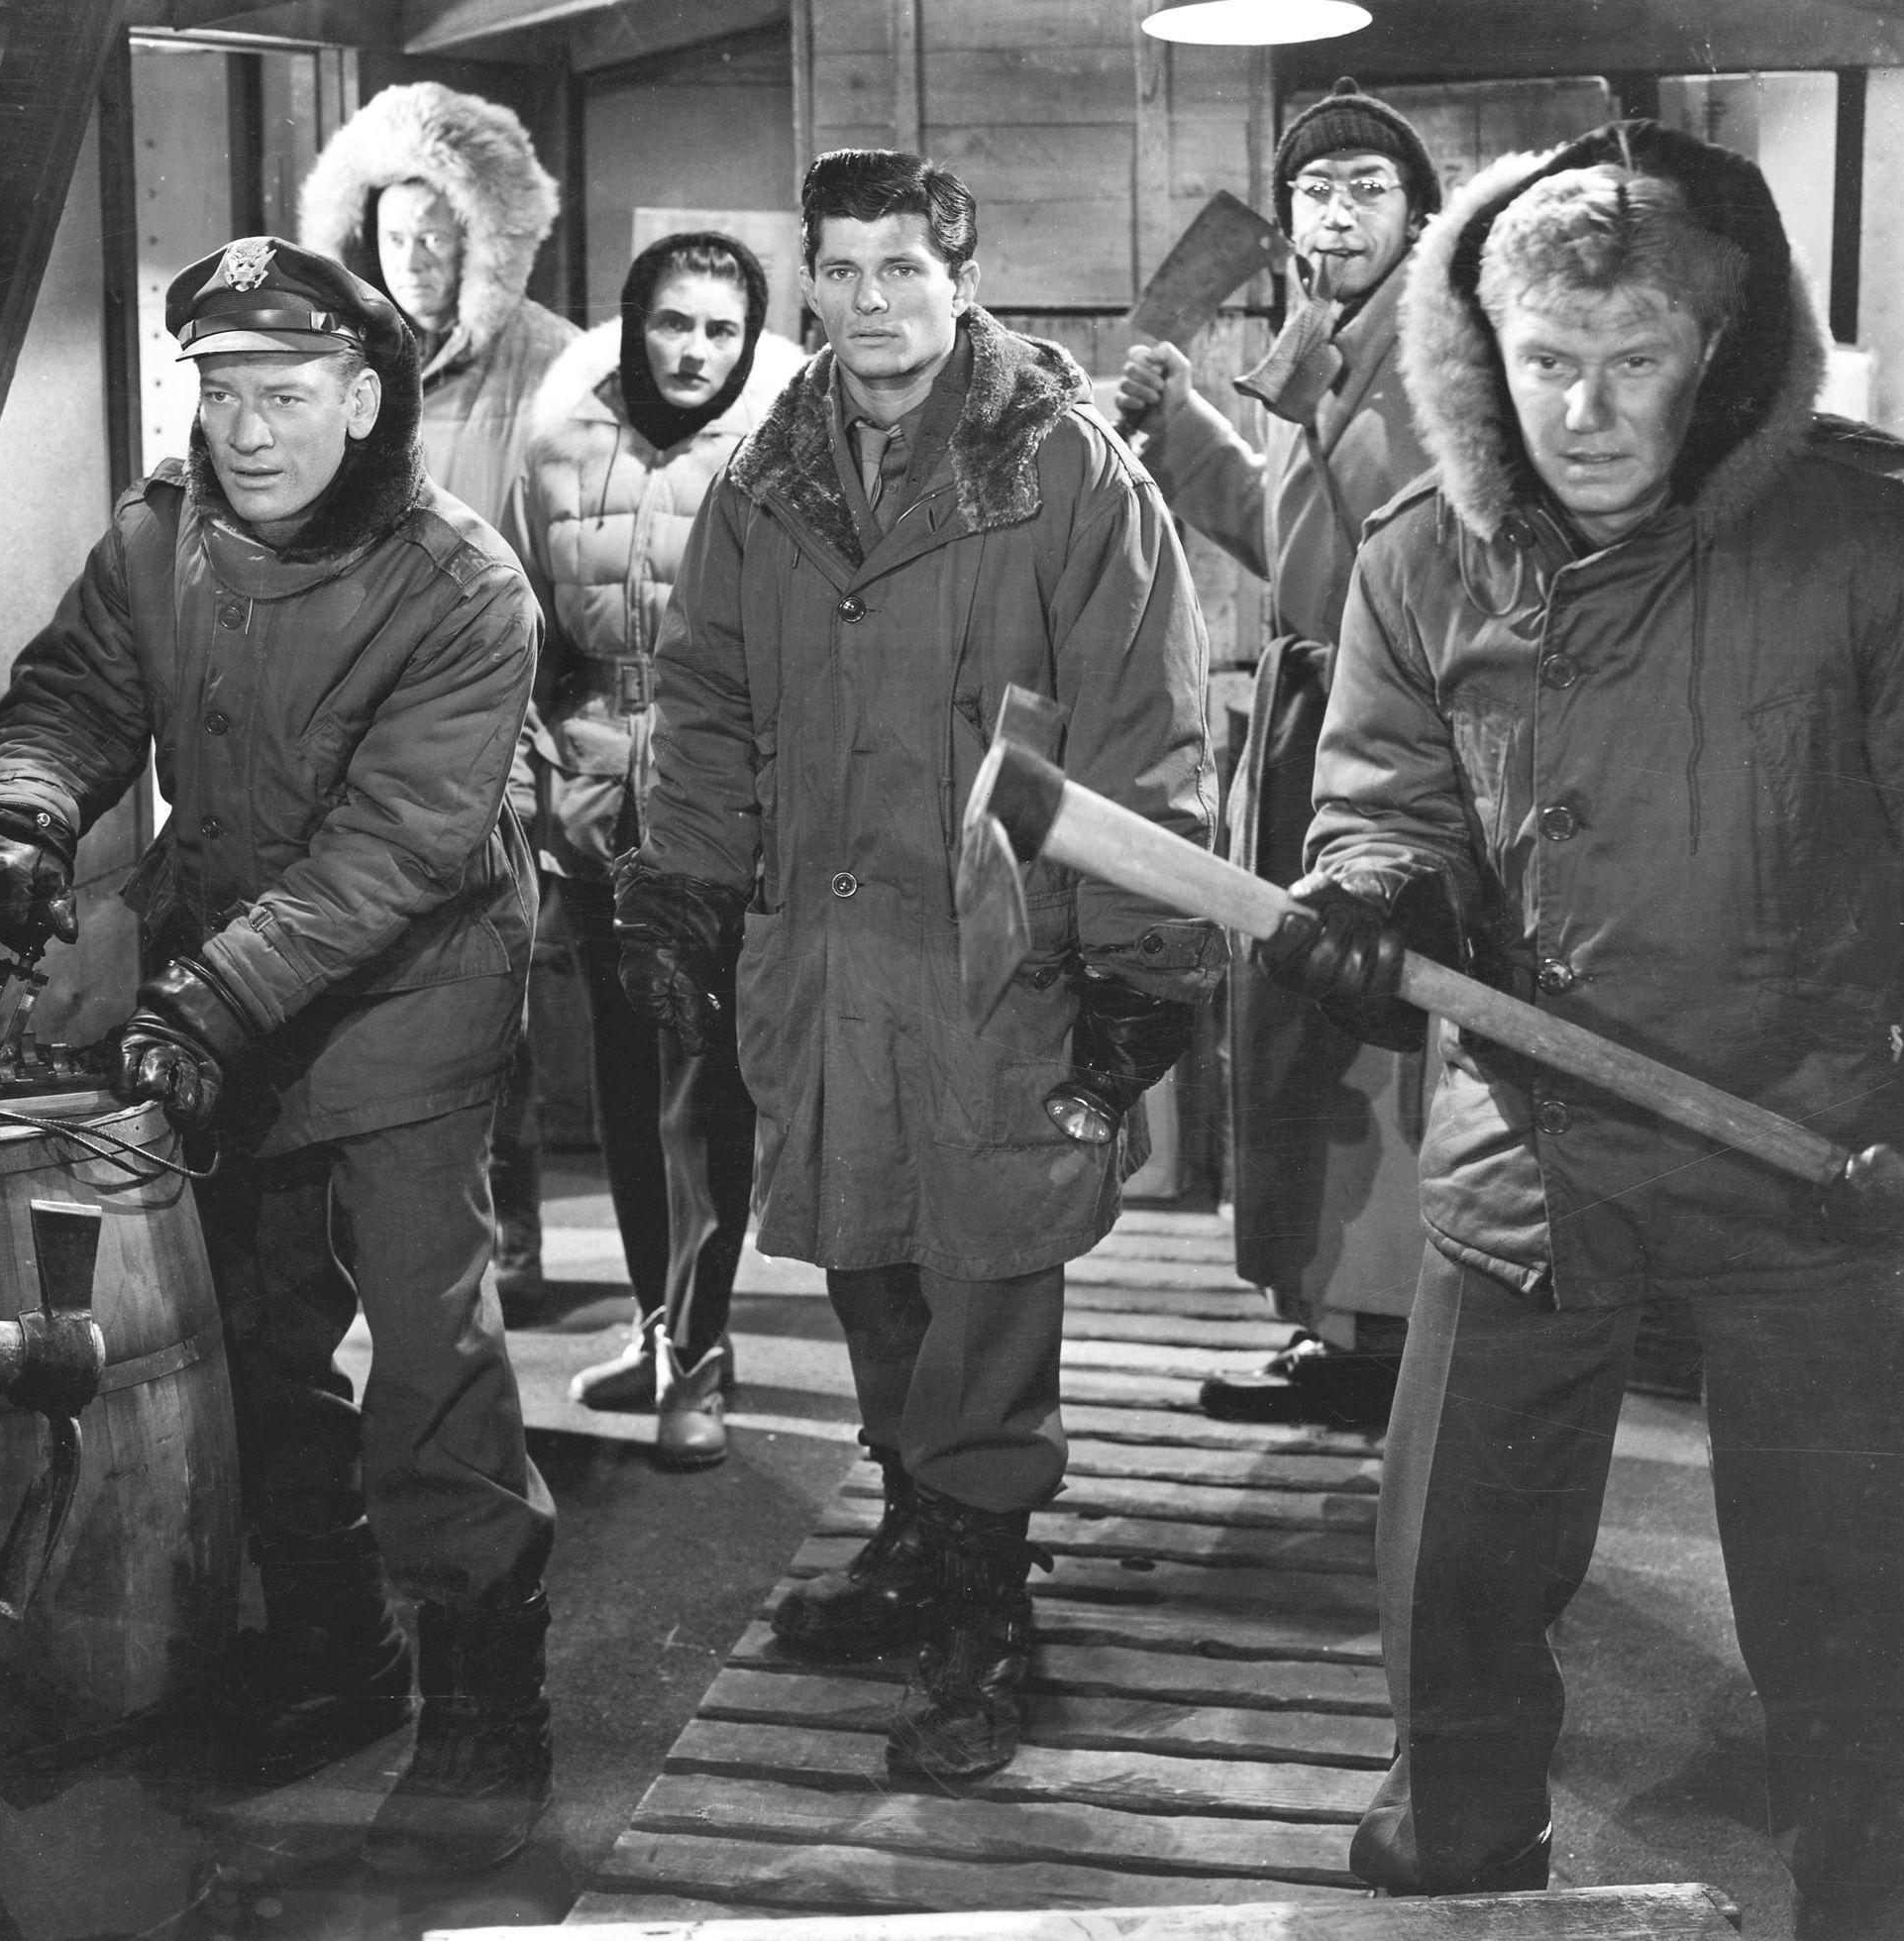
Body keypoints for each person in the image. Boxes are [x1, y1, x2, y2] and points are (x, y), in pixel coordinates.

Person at [1273, 123, 1904, 1931]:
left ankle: (1872, 1888)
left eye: (1630, 360)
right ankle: (1455, 1865)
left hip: (1806, 1129)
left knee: (1844, 1583)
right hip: (1532, 1119)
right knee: (1453, 1565)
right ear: (1478, 354)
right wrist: (1372, 894)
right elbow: (1383, 797)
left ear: (1713, 353)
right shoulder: (1419, 557)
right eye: (1543, 361)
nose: (1580, 413)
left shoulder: (1868, 544)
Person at [0, 236, 553, 1875]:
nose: (246, 429)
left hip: (402, 1008)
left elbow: (394, 849)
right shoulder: (162, 537)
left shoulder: (462, 586)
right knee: (261, 1347)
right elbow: (75, 693)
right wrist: (17, 809)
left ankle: (490, 1709)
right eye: (218, 393)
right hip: (225, 991)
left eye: (283, 393)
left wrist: (202, 997)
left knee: (425, 1357)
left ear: (363, 397)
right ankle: (336, 1651)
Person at [628, 150, 1218, 1780]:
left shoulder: (1067, 473)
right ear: (808, 283)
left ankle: (982, 1610)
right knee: (866, 1253)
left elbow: (1147, 730)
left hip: (998, 960)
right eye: (839, 268)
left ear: (961, 280)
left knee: (988, 1283)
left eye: (901, 267)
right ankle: (913, 1528)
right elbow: (703, 698)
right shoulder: (766, 480)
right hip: (821, 950)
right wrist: (682, 887)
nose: (869, 300)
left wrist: (1141, 969)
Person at [1118, 80, 1442, 1430]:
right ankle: (1342, 1323)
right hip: (1311, 711)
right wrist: (1188, 419)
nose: (1337, 213)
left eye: (1369, 187)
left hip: (1393, 732)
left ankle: (1387, 1338)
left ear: (1417, 213)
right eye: (1314, 189)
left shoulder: (1435, 355)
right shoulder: (1322, 338)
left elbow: (1409, 561)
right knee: (1304, 1020)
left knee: (1367, 1017)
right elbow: (1287, 536)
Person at [500, 230, 796, 1468]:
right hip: (591, 810)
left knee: (704, 1095)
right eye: (674, 322)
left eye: (722, 329)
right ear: (634, 323)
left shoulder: (781, 458)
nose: (694, 351)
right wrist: (536, 777)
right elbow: (517, 631)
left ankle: (705, 1353)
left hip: (718, 807)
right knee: (625, 1091)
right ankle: (659, 1325)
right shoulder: (558, 445)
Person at [301, 82, 582, 1307]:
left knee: (485, 991)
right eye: (397, 235)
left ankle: (506, 1234)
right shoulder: (336, 363)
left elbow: (589, 553)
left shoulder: (557, 364)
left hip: (501, 720)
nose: (416, 259)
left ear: (485, 242)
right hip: (350, 721)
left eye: (440, 236)